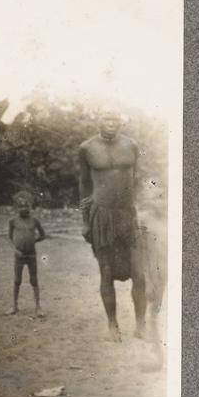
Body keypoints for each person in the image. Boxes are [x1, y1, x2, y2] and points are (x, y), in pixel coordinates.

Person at [78, 113, 146, 339]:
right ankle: (112, 325)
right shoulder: (87, 148)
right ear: (99, 122)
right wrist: (86, 221)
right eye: (106, 120)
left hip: (128, 215)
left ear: (120, 122)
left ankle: (141, 326)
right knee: (106, 272)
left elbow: (138, 179)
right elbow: (84, 185)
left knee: (139, 272)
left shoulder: (131, 145)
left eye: (114, 120)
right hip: (102, 216)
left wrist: (141, 209)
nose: (110, 124)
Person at [6, 190, 46, 317]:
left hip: (31, 255)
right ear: (17, 208)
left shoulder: (34, 221)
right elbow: (9, 238)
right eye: (21, 206)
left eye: (27, 206)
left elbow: (43, 235)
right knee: (17, 280)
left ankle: (38, 307)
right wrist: (15, 249)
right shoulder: (13, 221)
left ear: (30, 207)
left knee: (34, 280)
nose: (24, 208)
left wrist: (32, 241)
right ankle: (14, 306)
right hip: (19, 256)